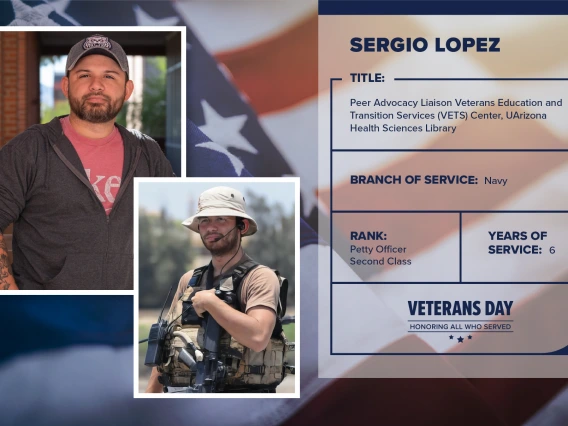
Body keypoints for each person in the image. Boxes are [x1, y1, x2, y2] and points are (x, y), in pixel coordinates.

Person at [0, 34, 174, 290]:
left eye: (109, 76)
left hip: (120, 318)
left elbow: (171, 223)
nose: (96, 85)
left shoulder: (147, 152)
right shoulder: (31, 148)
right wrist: (13, 298)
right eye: (84, 75)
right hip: (47, 318)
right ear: (66, 86)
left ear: (127, 90)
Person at [145, 186, 286, 393]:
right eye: (204, 221)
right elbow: (165, 346)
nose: (211, 227)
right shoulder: (190, 280)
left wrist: (211, 304)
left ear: (242, 226)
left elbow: (258, 338)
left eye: (220, 219)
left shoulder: (260, 277)